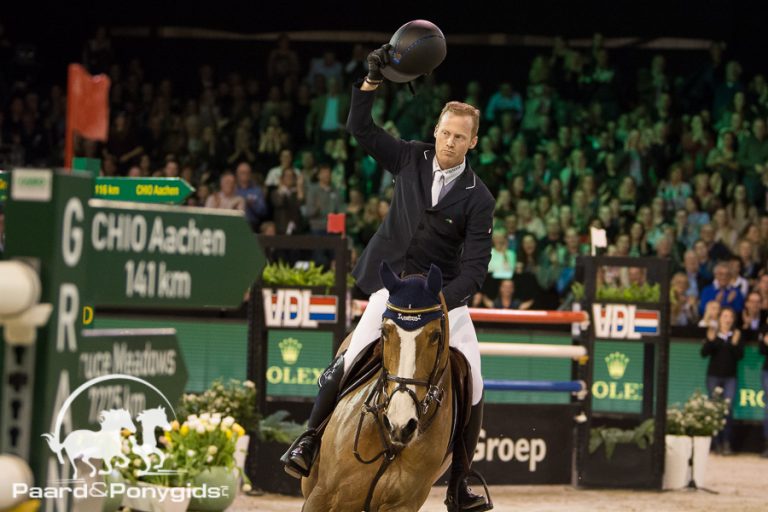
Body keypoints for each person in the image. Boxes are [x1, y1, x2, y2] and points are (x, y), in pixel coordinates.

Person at [282, 44, 494, 512]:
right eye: (445, 133)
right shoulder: (410, 158)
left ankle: (461, 481)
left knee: (475, 380)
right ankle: (309, 440)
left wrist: (443, 301)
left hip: (443, 300)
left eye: (460, 137)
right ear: (435, 131)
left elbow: (476, 266)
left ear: (473, 142)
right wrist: (371, 81)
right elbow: (361, 128)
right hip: (393, 288)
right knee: (348, 358)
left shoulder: (479, 197)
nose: (450, 142)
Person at [701, 307, 743, 454]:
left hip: (730, 377)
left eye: (730, 316)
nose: (727, 319)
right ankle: (715, 443)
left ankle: (726, 443)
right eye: (725, 316)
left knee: (727, 409)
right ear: (719, 318)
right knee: (714, 410)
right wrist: (712, 340)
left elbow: (739, 356)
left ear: (733, 319)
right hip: (713, 376)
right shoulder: (713, 333)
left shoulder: (736, 334)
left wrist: (733, 343)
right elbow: (704, 353)